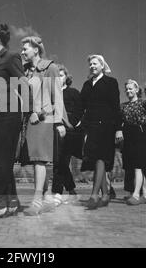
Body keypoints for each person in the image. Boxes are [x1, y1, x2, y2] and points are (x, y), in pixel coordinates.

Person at [0, 23, 31, 219]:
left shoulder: (11, 57)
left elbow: (23, 84)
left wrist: (29, 113)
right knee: (2, 160)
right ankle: (12, 201)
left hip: (9, 114)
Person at [20, 36, 66, 215]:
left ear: (36, 49)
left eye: (26, 48)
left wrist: (59, 121)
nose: (23, 52)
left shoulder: (50, 67)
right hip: (30, 121)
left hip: (44, 118)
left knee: (39, 159)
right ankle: (46, 197)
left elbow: (57, 96)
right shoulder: (25, 72)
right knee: (34, 160)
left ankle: (37, 200)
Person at [80, 54, 122, 210]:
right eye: (90, 64)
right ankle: (105, 194)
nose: (92, 66)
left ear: (102, 65)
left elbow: (116, 106)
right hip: (91, 127)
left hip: (107, 126)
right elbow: (81, 106)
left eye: (95, 63)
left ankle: (94, 195)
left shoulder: (111, 82)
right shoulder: (86, 85)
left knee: (101, 158)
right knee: (97, 159)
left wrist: (118, 128)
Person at [120, 80, 146, 205]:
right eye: (126, 89)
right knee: (136, 167)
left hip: (141, 136)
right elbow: (120, 122)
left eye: (130, 88)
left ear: (137, 90)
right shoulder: (123, 106)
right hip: (128, 137)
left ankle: (136, 195)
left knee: (139, 166)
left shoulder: (144, 103)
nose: (128, 91)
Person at [51, 64, 83, 205]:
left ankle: (57, 192)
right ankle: (71, 191)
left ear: (66, 78)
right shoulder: (51, 94)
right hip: (55, 129)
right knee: (60, 161)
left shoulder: (74, 92)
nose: (59, 78)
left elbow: (81, 110)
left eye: (61, 75)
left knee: (61, 161)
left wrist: (72, 123)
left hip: (70, 131)